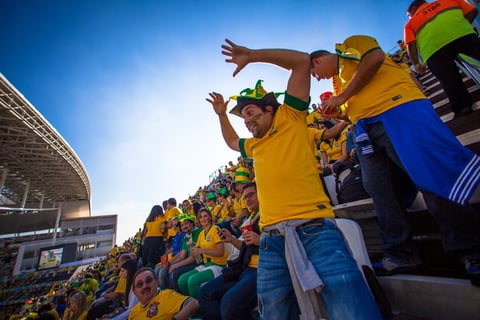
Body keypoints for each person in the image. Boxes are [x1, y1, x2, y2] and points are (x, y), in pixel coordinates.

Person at [206, 39, 381, 319]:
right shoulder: (254, 145)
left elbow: (301, 61)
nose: (247, 121)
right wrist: (221, 115)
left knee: (350, 308)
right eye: (244, 118)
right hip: (271, 240)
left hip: (314, 230)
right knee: (273, 313)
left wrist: (253, 55)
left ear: (270, 109)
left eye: (250, 113)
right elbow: (231, 142)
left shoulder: (291, 116)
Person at [310, 35, 480, 284]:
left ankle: (471, 249)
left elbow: (375, 58)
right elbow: (354, 108)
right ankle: (401, 252)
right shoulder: (339, 83)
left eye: (314, 71)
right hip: (366, 128)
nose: (317, 78)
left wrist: (343, 97)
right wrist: (341, 113)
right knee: (381, 191)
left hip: (398, 109)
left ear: (319, 59)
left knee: (429, 175)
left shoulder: (350, 44)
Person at [404, 0, 480, 117]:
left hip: (434, 50)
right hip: (462, 35)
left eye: (408, 15)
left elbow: (410, 44)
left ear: (413, 9)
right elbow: (473, 10)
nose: (409, 18)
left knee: (449, 79)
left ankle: (463, 107)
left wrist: (417, 63)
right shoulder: (448, 1)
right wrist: (462, 25)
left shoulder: (410, 24)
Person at [199, 182, 260, 320]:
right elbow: (246, 247)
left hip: (259, 269)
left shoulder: (268, 215)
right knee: (205, 292)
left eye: (251, 195)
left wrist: (260, 240)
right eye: (245, 197)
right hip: (242, 267)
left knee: (228, 304)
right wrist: (231, 239)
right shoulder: (250, 219)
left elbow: (280, 245)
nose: (247, 200)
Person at [177, 208, 227, 299]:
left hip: (218, 265)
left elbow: (220, 252)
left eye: (205, 216)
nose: (203, 219)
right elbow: (197, 255)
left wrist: (201, 250)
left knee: (192, 281)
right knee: (182, 280)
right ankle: (190, 306)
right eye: (200, 217)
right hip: (205, 264)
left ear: (210, 218)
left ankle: (199, 309)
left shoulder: (216, 229)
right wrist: (192, 247)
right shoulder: (201, 233)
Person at [128, 267, 199, 320]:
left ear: (156, 281)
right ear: (134, 292)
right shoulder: (133, 312)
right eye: (140, 284)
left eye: (149, 280)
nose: (145, 286)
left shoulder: (166, 295)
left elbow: (193, 303)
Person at [158, 214, 201, 292]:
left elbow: (194, 258)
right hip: (189, 261)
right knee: (163, 271)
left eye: (186, 223)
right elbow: (182, 256)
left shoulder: (198, 233)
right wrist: (170, 263)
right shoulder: (186, 237)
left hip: (198, 262)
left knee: (174, 273)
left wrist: (176, 265)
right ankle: (166, 295)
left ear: (192, 223)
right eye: (182, 225)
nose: (184, 226)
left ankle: (178, 297)